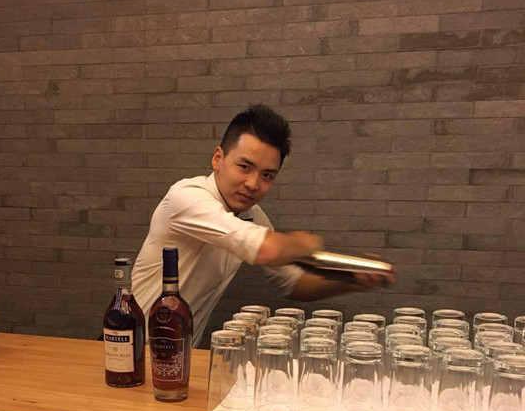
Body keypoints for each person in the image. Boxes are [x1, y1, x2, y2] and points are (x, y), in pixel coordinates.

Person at [132, 104, 394, 348]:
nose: (253, 184)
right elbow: (269, 249)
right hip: (132, 350)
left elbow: (294, 283)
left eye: (267, 175)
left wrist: (352, 280)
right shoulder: (187, 197)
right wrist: (305, 244)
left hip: (181, 356)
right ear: (218, 158)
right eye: (244, 167)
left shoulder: (252, 216)